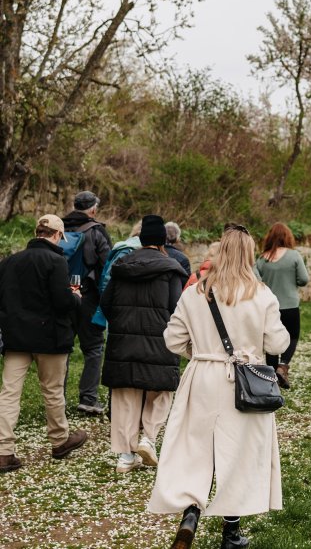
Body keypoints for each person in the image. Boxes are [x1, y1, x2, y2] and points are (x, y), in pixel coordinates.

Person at [148, 223, 290, 549]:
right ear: (250, 255)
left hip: (201, 377)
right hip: (244, 381)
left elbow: (172, 340)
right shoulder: (261, 294)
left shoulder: (195, 292)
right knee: (238, 455)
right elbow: (278, 340)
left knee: (196, 449)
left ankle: (191, 512)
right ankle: (231, 532)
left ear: (220, 252)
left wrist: (199, 352)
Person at [99, 215, 188, 473]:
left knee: (126, 396)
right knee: (160, 393)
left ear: (140, 239)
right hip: (160, 342)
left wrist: (123, 322)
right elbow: (176, 309)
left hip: (123, 342)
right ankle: (148, 438)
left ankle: (126, 456)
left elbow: (105, 303)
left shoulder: (122, 265)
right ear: (162, 241)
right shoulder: (170, 269)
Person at [0, 215, 88, 472]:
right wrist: (76, 298)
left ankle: (3, 450)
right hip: (50, 338)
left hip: (16, 337)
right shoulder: (56, 260)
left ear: (37, 232)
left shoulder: (9, 262)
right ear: (58, 235)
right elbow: (62, 302)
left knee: (9, 393)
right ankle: (60, 441)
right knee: (52, 391)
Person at [62, 190, 112, 415]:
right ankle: (88, 399)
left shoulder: (59, 227)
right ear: (93, 209)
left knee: (62, 349)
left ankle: (57, 400)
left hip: (60, 295)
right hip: (88, 296)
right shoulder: (97, 231)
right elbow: (107, 266)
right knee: (93, 347)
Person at [254, 222, 309, 389]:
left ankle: (271, 375)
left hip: (269, 306)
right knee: (292, 336)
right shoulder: (294, 256)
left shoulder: (262, 258)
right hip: (290, 305)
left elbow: (256, 280)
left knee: (271, 339)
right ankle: (283, 365)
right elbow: (304, 279)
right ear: (288, 237)